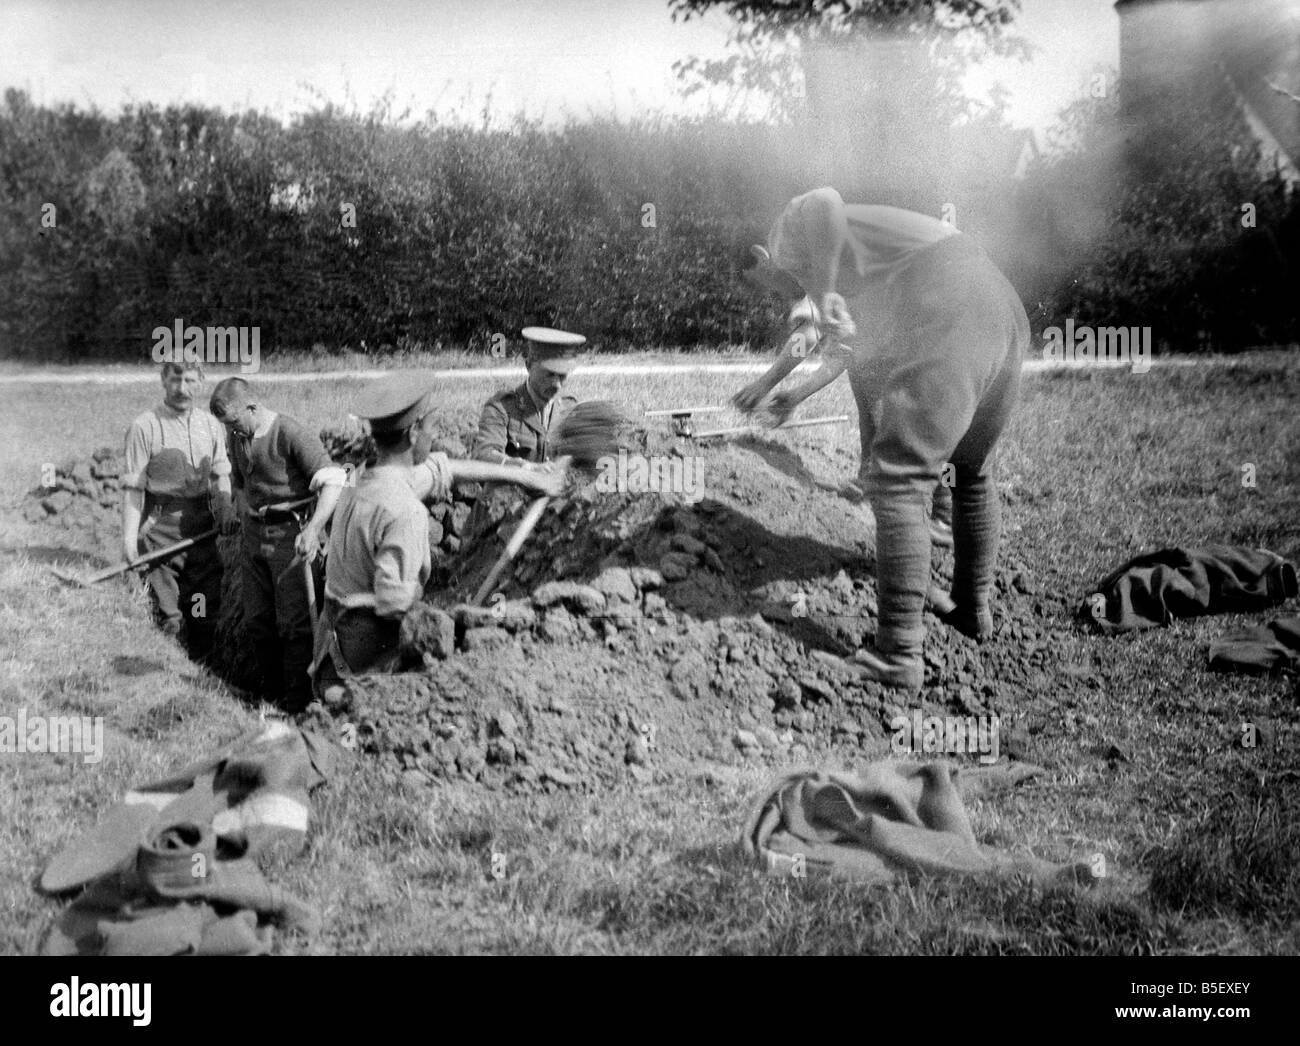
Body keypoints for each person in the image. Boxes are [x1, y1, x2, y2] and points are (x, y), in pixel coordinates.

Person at [734, 187, 1028, 693]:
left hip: (952, 299)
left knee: (897, 481)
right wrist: (796, 393)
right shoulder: (871, 270)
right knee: (969, 470)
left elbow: (825, 199)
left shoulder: (788, 237)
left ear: (763, 259)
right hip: (998, 303)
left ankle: (897, 654)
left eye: (759, 280)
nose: (771, 289)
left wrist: (823, 289)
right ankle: (971, 607)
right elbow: (855, 349)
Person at [311, 372, 564, 696]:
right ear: (414, 432)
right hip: (365, 670)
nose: (436, 435)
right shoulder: (404, 510)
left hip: (332, 648)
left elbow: (442, 469)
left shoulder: (363, 477)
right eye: (432, 428)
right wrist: (459, 627)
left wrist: (525, 477)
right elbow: (395, 607)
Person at [209, 377, 346, 710]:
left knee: (295, 627)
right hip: (254, 537)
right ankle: (269, 698)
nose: (232, 430)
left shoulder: (290, 434)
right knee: (256, 621)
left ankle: (297, 704)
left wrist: (314, 530)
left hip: (292, 537)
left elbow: (333, 482)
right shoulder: (236, 434)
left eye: (234, 421)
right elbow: (239, 482)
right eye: (227, 425)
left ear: (252, 407)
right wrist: (240, 508)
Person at [121, 361, 235, 663]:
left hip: (202, 532)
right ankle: (171, 671)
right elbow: (133, 489)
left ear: (200, 381)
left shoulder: (210, 425)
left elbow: (220, 473)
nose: (182, 389)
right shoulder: (144, 427)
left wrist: (224, 508)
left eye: (189, 380)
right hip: (161, 533)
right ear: (163, 380)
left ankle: (204, 674)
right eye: (175, 380)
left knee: (201, 608)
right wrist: (129, 541)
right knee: (171, 616)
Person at [471, 327, 583, 469]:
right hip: (515, 488)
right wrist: (525, 467)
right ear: (529, 365)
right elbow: (485, 455)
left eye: (562, 376)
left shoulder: (570, 409)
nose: (557, 384)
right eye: (549, 374)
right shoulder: (502, 408)